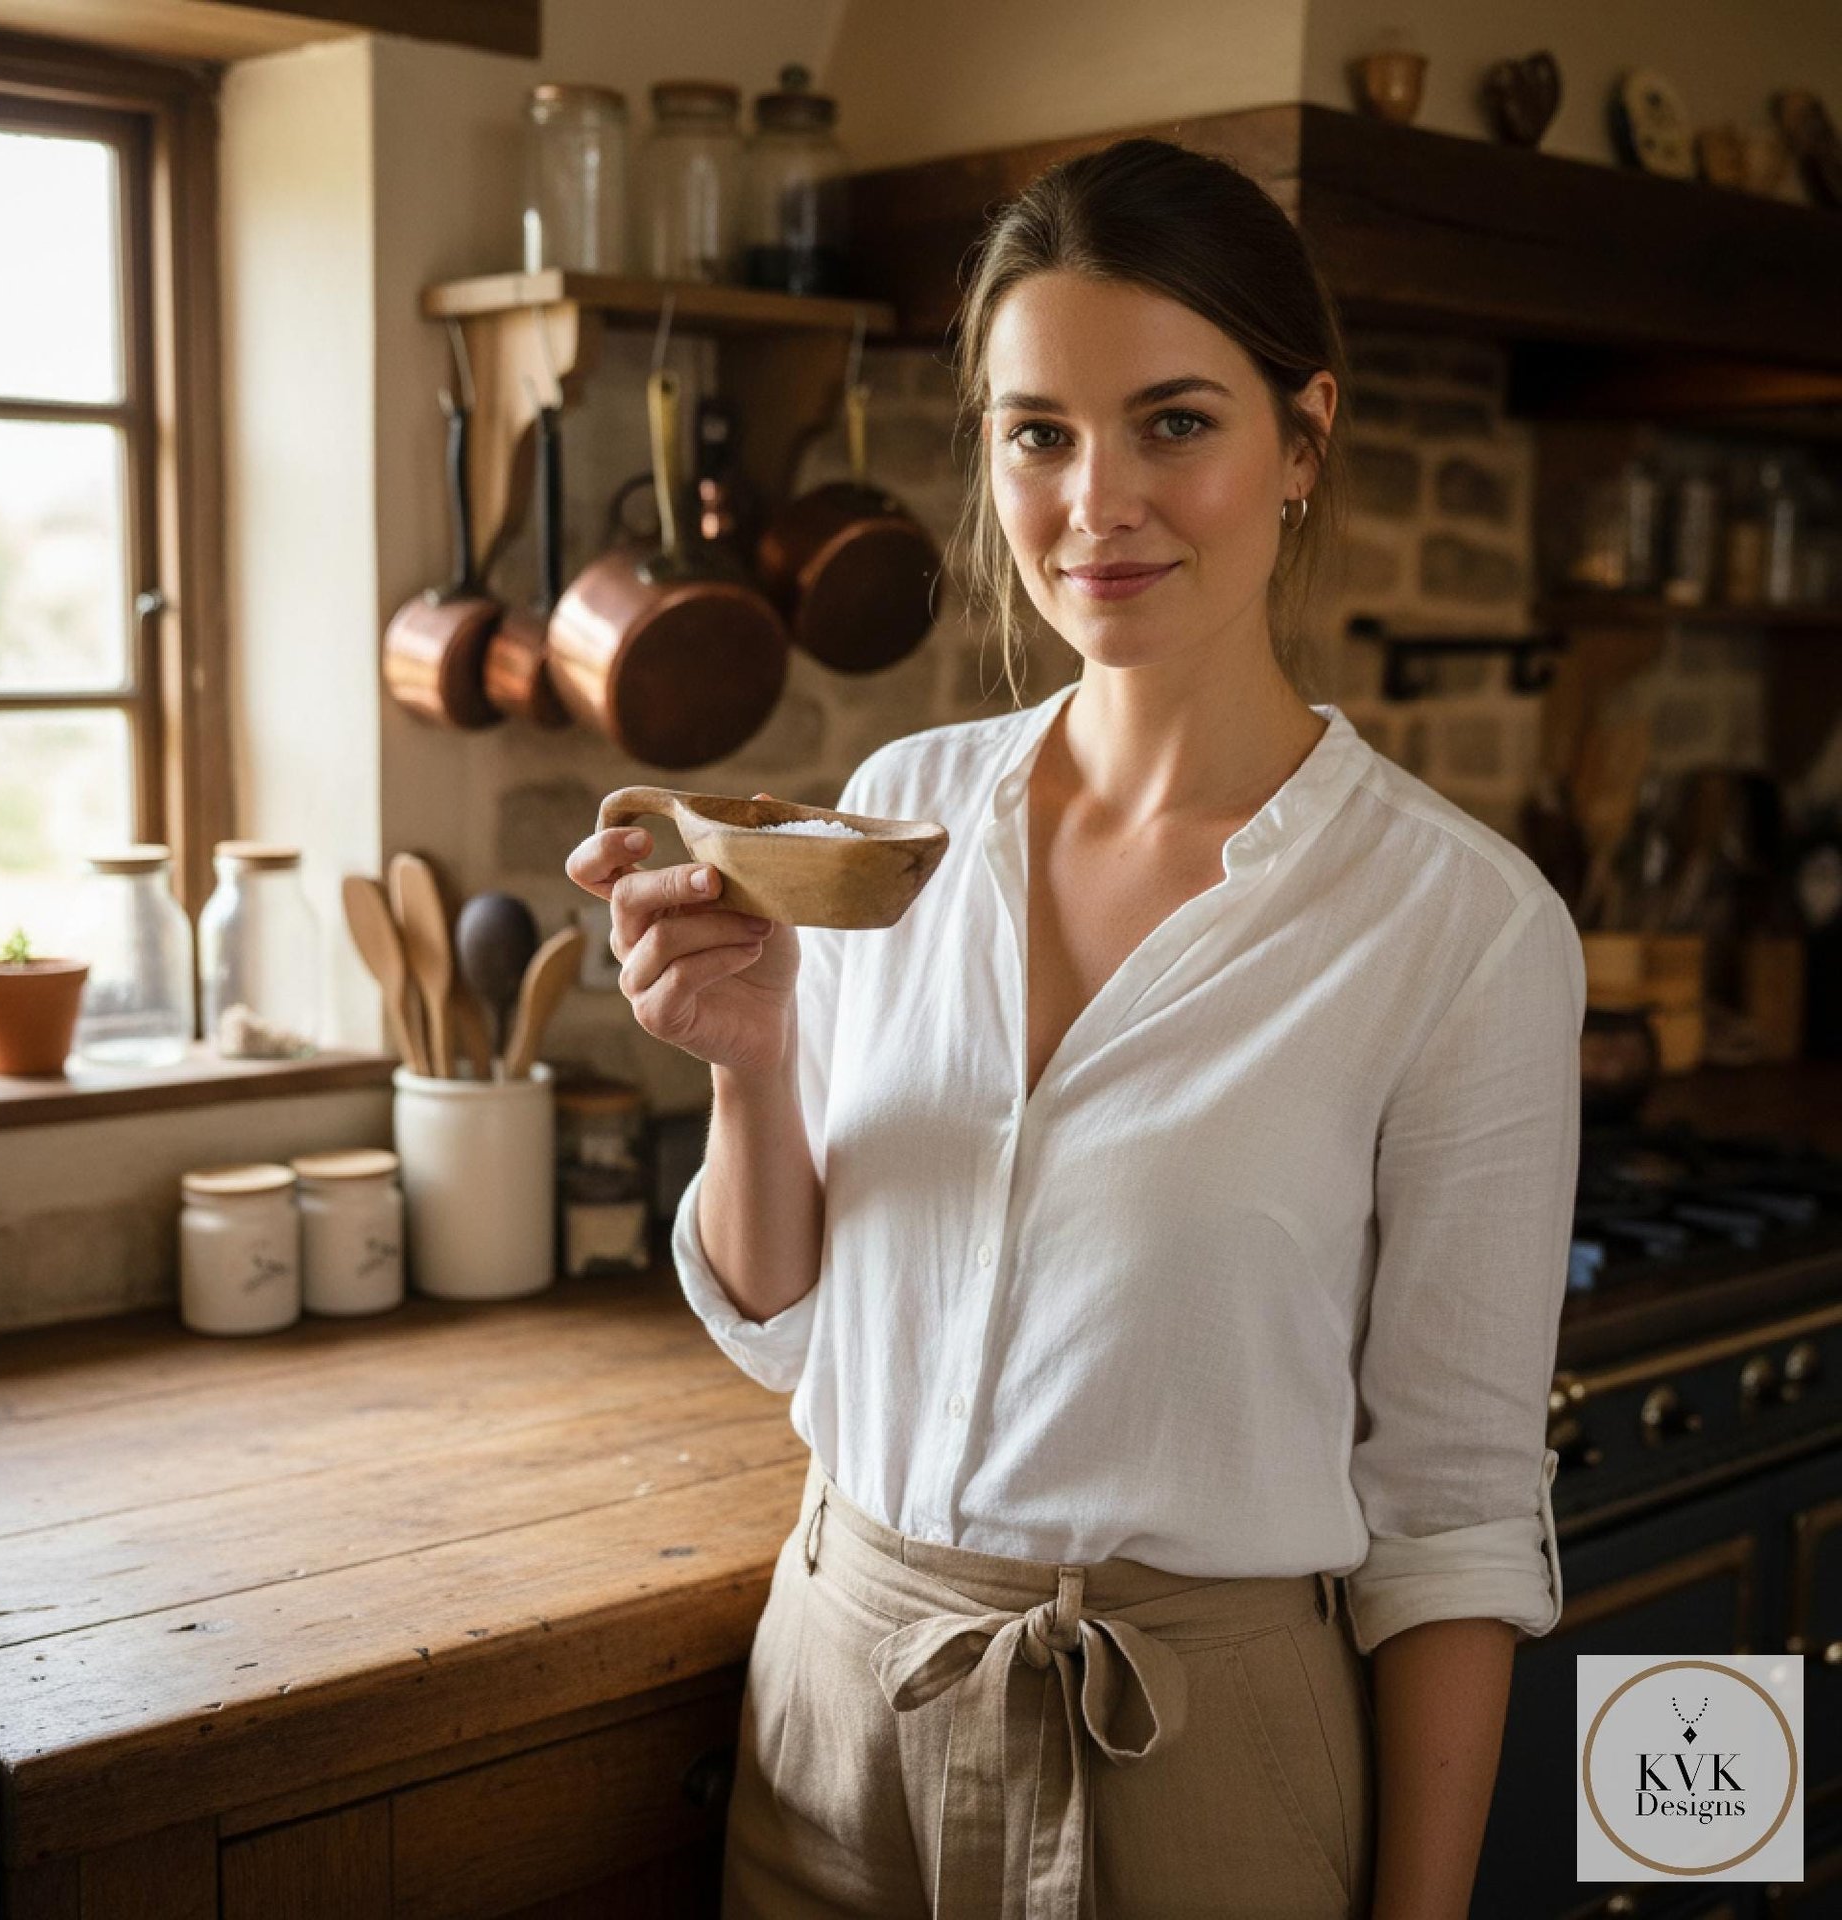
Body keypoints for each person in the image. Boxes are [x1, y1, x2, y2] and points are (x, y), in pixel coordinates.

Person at [566, 136, 1581, 1920]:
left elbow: (1453, 1518)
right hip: (826, 1713)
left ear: (1304, 438)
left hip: (1189, 1770)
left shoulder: (1460, 928)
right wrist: (753, 1063)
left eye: (1175, 421)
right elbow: (791, 1332)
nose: (1095, 500)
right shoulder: (895, 818)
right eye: (1038, 432)